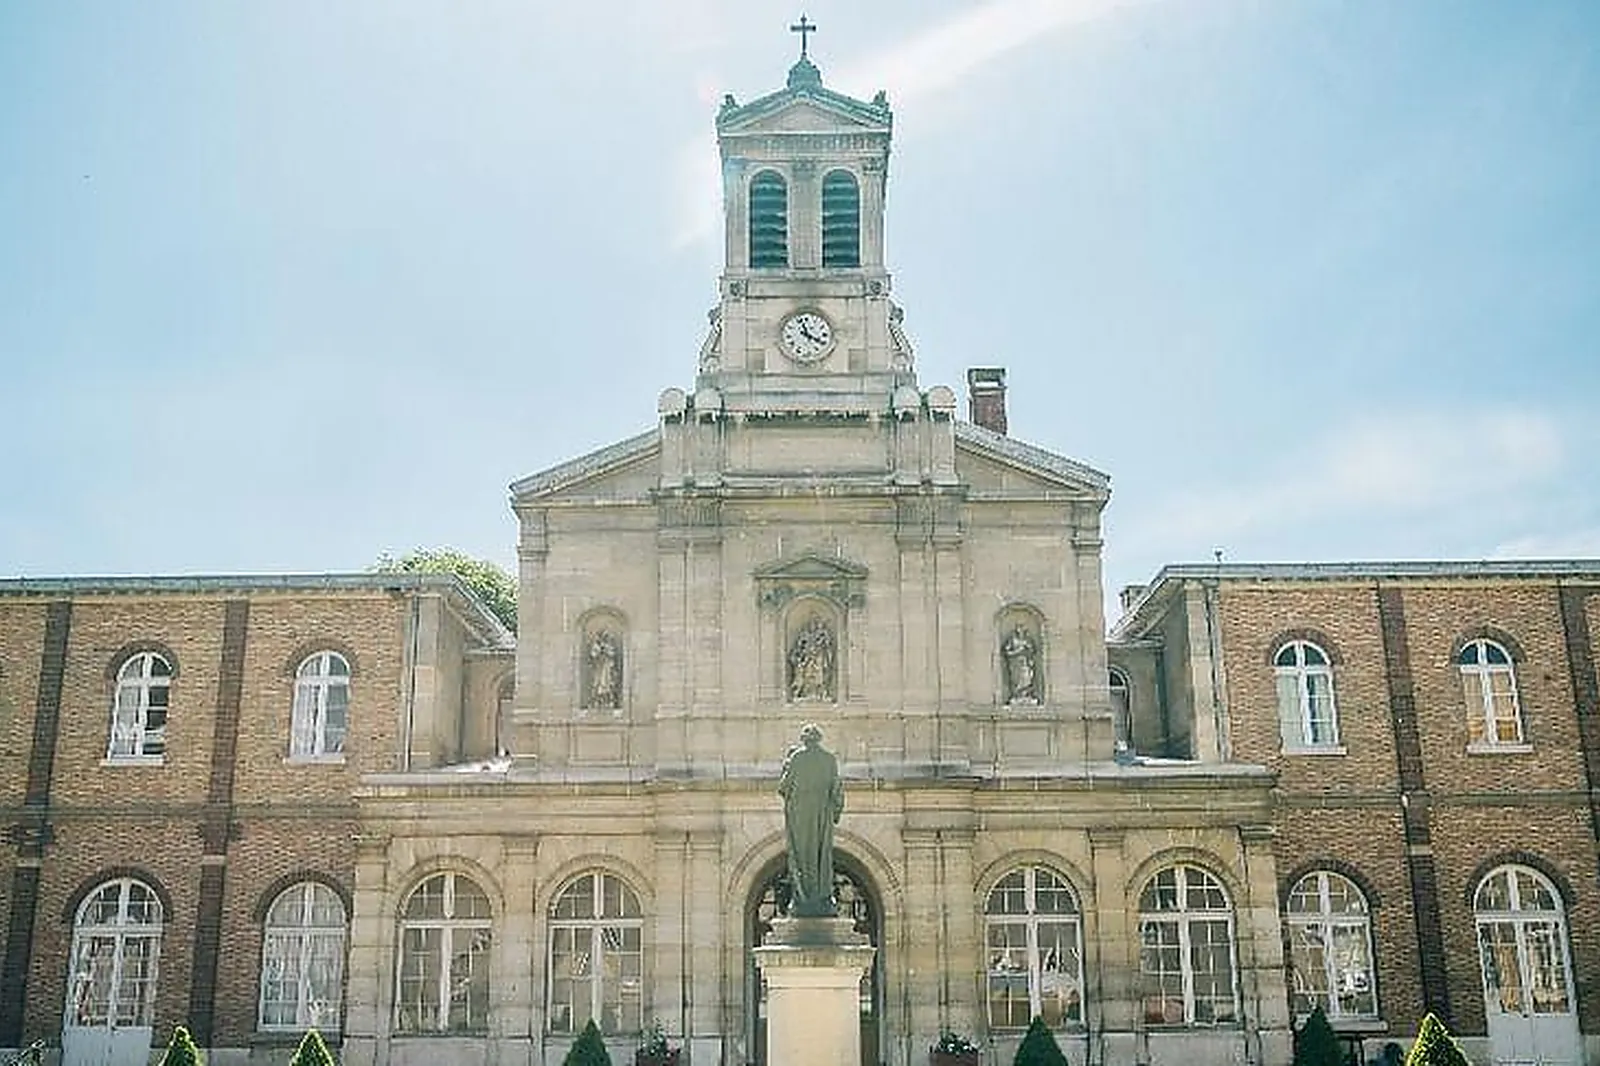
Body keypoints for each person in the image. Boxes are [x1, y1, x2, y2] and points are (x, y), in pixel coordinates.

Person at [778, 724, 844, 916]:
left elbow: (784, 787)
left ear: (804, 739)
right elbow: (836, 789)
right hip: (823, 814)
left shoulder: (797, 758)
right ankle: (822, 895)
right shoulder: (830, 759)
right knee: (822, 855)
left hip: (800, 815)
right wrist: (835, 811)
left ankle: (802, 897)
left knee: (800, 855)